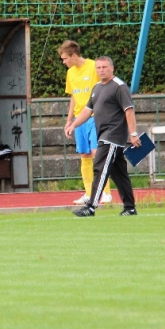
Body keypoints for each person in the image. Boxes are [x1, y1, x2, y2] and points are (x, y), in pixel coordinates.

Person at [65, 56, 139, 217]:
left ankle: (91, 206)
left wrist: (133, 134)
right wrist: (73, 124)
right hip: (103, 135)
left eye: (104, 67)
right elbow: (87, 111)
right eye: (98, 68)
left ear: (112, 68)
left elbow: (129, 110)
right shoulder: (97, 87)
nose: (101, 70)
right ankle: (130, 207)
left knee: (100, 167)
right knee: (119, 173)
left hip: (112, 136)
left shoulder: (119, 87)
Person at [59, 40, 113, 205]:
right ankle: (90, 193)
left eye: (65, 59)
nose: (63, 62)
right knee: (85, 155)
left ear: (74, 56)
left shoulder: (93, 67)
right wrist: (69, 120)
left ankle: (105, 192)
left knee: (98, 153)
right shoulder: (70, 74)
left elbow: (106, 86)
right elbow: (74, 96)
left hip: (95, 117)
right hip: (79, 119)